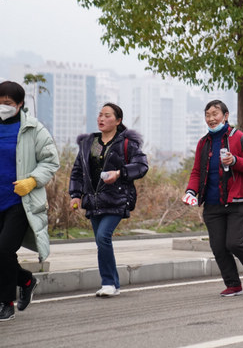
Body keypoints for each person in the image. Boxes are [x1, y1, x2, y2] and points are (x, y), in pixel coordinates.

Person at [183, 100, 243, 297]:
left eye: (215, 114)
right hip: (211, 202)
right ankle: (233, 284)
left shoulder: (240, 138)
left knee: (234, 242)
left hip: (237, 200)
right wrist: (191, 191)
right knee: (218, 246)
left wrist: (235, 161)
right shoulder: (203, 143)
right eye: (207, 115)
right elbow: (197, 172)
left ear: (225, 116)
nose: (211, 118)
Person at [70, 103, 148, 297]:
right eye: (100, 115)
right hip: (94, 200)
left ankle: (107, 283)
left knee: (103, 237)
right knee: (100, 241)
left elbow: (141, 166)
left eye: (107, 115)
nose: (101, 119)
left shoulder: (125, 143)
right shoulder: (92, 142)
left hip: (117, 198)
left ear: (118, 121)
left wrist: (120, 173)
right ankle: (114, 283)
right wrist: (75, 195)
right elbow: (78, 171)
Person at [0, 81, 58, 322]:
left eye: (8, 103)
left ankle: (6, 303)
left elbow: (51, 161)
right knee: (2, 254)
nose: (3, 107)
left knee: (3, 250)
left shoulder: (34, 129)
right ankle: (26, 280)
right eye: (0, 102)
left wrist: (33, 181)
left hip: (19, 202)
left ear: (20, 104)